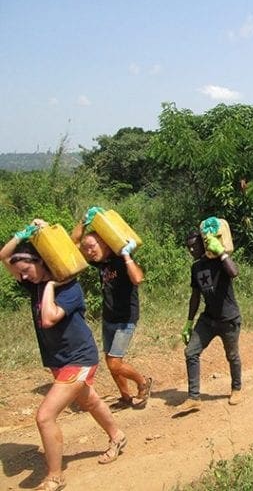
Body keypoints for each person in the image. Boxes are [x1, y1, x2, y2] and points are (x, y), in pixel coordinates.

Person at [1, 220, 127, 491]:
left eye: (26, 271)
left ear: (41, 262)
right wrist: (21, 234)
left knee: (45, 417)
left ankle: (55, 477)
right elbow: (3, 256)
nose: (23, 277)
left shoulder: (70, 289)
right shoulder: (33, 283)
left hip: (80, 359)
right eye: (20, 273)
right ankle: (117, 436)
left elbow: (48, 318)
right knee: (90, 402)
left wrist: (50, 285)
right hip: (59, 361)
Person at [71, 207, 152, 409]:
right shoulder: (102, 263)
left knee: (115, 362)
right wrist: (83, 220)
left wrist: (126, 256)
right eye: (87, 248)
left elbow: (138, 279)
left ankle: (143, 382)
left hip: (126, 318)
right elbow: (74, 244)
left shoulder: (120, 259)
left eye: (92, 247)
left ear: (105, 244)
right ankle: (126, 397)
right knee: (111, 363)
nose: (89, 252)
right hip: (109, 318)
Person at [178, 228, 243, 412]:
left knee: (232, 355)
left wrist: (221, 252)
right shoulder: (196, 267)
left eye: (194, 246)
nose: (191, 250)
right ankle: (193, 397)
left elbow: (234, 272)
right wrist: (189, 323)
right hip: (208, 319)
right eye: (188, 247)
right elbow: (195, 296)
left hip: (229, 318)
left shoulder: (218, 261)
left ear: (203, 242)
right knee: (191, 352)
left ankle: (236, 388)